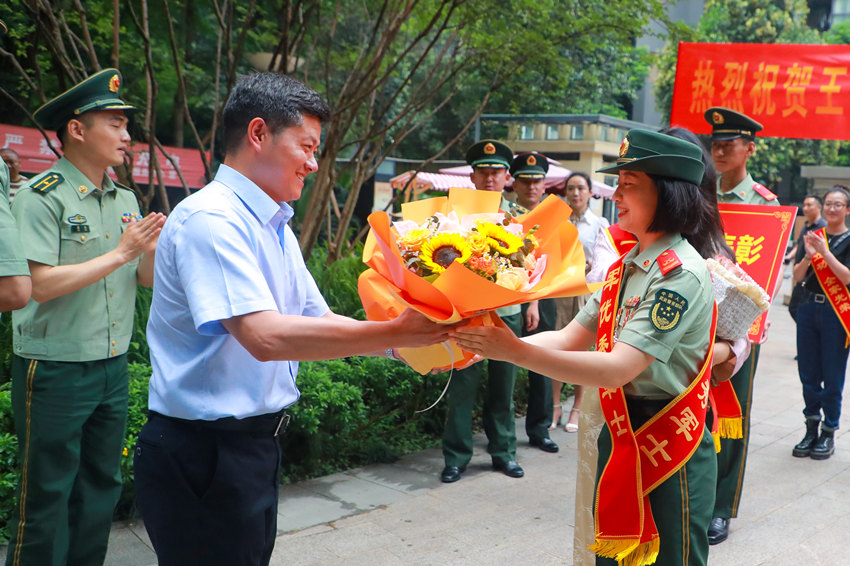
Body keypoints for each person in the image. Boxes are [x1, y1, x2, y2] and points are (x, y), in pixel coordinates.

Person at [133, 72, 455, 566]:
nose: (311, 163)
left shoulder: (273, 225)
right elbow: (263, 336)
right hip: (204, 453)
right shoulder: (213, 220)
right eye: (306, 147)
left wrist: (411, 346)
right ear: (258, 134)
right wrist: (395, 330)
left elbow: (318, 318)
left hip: (251, 447)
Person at [453, 129, 718, 566]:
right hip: (621, 436)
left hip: (667, 441)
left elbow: (618, 368)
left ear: (668, 193)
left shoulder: (680, 274)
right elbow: (569, 336)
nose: (616, 192)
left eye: (630, 184)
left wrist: (514, 352)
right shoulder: (625, 268)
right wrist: (485, 346)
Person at [5, 69, 166, 566]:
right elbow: (37, 286)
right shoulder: (41, 197)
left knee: (100, 486)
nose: (126, 137)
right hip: (54, 368)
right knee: (46, 492)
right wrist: (121, 252)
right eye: (114, 125)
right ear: (78, 129)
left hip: (111, 366)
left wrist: (153, 250)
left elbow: (143, 280)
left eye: (126, 127)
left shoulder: (124, 198)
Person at [704, 106, 779, 546]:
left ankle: (720, 507)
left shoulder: (766, 207)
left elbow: (766, 271)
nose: (719, 149)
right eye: (715, 143)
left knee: (732, 414)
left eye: (729, 143)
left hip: (739, 329)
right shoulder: (699, 196)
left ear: (749, 148)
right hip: (695, 319)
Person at [439, 139, 525, 483]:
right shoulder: (453, 215)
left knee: (504, 387)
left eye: (496, 172)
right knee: (461, 386)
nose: (490, 178)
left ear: (507, 177)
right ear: (472, 176)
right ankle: (455, 457)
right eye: (483, 172)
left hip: (508, 311)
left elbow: (529, 264)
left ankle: (504, 453)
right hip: (465, 312)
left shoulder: (517, 217)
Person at [790, 185, 850, 461]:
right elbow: (797, 275)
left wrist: (825, 253)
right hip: (807, 309)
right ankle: (811, 427)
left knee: (833, 375)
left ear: (847, 210)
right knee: (808, 373)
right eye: (829, 203)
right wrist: (807, 255)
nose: (832, 208)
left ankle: (829, 431)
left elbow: (846, 278)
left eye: (838, 204)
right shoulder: (814, 237)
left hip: (835, 316)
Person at [509, 151, 559, 454]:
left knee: (542, 362)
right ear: (514, 183)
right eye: (525, 181)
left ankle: (540, 429)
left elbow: (555, 262)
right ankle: (501, 434)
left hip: (546, 296)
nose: (531, 187)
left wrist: (537, 302)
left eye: (536, 181)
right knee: (507, 366)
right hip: (510, 298)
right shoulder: (505, 216)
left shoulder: (552, 216)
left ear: (544, 185)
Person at [551, 171, 609, 432]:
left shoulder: (599, 223)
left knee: (581, 348)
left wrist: (587, 264)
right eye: (571, 188)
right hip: (560, 290)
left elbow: (607, 259)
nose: (575, 193)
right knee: (556, 346)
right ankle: (554, 406)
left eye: (580, 188)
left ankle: (577, 407)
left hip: (586, 289)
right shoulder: (558, 222)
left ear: (590, 192)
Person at [785, 194, 826, 265]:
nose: (805, 208)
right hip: (799, 270)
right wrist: (789, 256)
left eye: (809, 205)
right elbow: (799, 244)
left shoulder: (823, 226)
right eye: (804, 205)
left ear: (819, 207)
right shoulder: (805, 226)